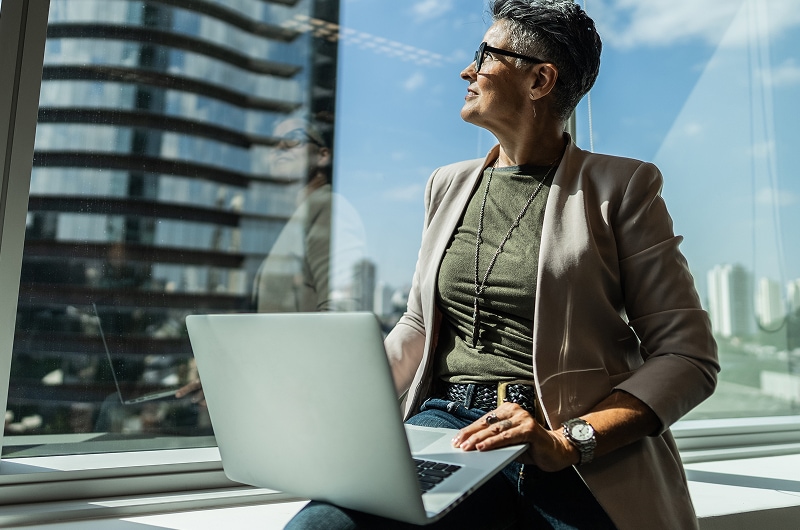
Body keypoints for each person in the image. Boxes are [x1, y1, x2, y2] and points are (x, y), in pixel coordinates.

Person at [286, 1, 719, 529]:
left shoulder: (623, 188)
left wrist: (569, 442)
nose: (468, 70)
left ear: (540, 80)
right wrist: (344, 395)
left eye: (485, 55)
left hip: (562, 438)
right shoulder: (446, 184)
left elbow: (686, 356)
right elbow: (420, 325)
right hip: (449, 425)